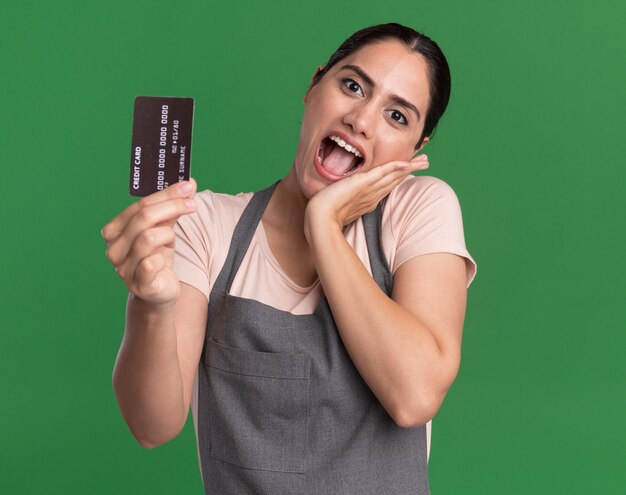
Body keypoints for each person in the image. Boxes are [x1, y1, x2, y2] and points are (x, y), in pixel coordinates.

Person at [103, 23, 477, 494]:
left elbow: (415, 396)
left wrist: (322, 223)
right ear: (313, 85)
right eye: (352, 85)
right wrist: (152, 306)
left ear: (416, 148)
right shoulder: (207, 227)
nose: (361, 120)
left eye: (397, 116)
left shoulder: (419, 209)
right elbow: (151, 426)